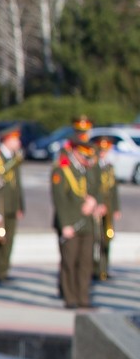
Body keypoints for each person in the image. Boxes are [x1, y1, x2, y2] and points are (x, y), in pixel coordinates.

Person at [50, 115, 101, 308]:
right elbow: (59, 199)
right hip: (70, 222)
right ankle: (70, 297)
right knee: (69, 262)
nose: (86, 156)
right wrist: (65, 224)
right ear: (73, 150)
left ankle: (83, 297)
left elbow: (98, 187)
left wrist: (94, 201)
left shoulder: (87, 169)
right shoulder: (62, 169)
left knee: (85, 262)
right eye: (82, 152)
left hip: (87, 222)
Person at [0, 124, 26, 283]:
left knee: (8, 240)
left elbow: (17, 184)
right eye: (15, 140)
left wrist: (20, 206)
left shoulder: (14, 157)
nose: (18, 143)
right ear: (7, 140)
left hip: (11, 204)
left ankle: (2, 271)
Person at [94, 133, 121, 281]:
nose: (103, 153)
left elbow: (113, 189)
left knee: (107, 237)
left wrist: (116, 208)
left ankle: (104, 268)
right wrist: (98, 205)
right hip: (98, 208)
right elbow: (93, 188)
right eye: (101, 150)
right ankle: (95, 268)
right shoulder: (93, 166)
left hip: (108, 208)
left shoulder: (110, 167)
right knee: (96, 239)